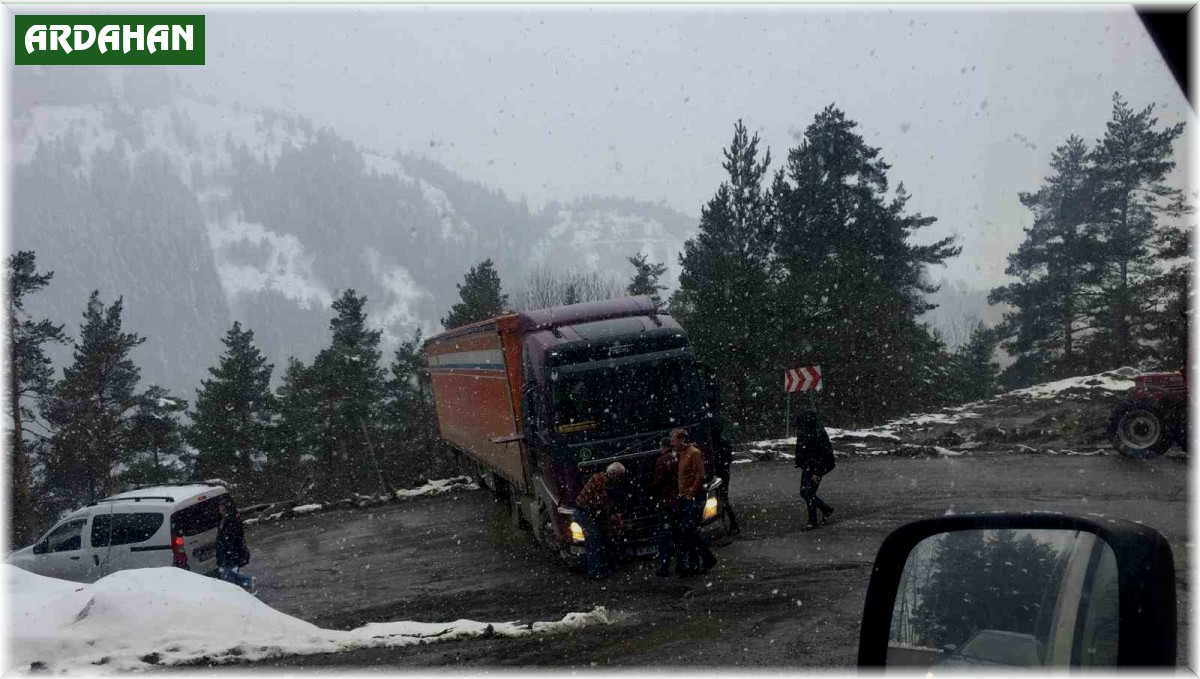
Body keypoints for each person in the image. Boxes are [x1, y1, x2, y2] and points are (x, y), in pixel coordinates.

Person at [674, 428, 717, 576]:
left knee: (689, 531)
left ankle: (706, 559)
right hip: (684, 498)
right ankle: (695, 564)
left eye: (674, 440)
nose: (672, 444)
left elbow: (700, 476)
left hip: (692, 499)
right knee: (688, 533)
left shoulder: (694, 453)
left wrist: (691, 494)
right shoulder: (681, 454)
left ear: (681, 440)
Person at [574, 462, 627, 580]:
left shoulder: (601, 479)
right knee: (594, 541)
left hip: (586, 512)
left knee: (599, 540)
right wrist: (612, 515)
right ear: (614, 474)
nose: (620, 479)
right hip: (585, 513)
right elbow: (601, 503)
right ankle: (595, 571)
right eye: (619, 476)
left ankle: (601, 568)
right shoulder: (602, 482)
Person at [794, 410, 836, 530]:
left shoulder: (818, 431)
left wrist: (817, 472)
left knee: (809, 493)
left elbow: (824, 453)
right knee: (804, 492)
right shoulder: (804, 430)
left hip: (817, 466)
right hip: (808, 465)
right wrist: (800, 460)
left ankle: (812, 521)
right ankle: (825, 509)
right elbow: (800, 447)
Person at [650, 436, 681, 577]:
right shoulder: (680, 457)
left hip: (666, 503)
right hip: (680, 501)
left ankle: (664, 566)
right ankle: (682, 564)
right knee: (679, 535)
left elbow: (657, 483)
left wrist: (654, 497)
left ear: (663, 446)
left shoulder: (662, 461)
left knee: (664, 536)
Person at [215, 499, 256, 593]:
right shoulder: (223, 520)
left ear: (228, 509)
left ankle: (244, 586)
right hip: (225, 552)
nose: (221, 512)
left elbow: (233, 539)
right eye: (220, 510)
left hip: (230, 553)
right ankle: (247, 583)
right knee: (230, 574)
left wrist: (230, 553)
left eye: (223, 510)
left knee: (227, 575)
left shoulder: (232, 520)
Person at [710, 420, 742, 537]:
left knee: (721, 499)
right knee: (723, 499)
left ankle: (729, 523)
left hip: (719, 473)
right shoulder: (724, 442)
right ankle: (731, 523)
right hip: (723, 472)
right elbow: (728, 459)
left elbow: (724, 459)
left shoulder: (715, 443)